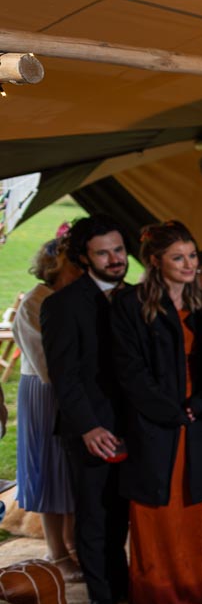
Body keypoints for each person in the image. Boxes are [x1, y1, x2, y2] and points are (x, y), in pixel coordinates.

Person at [110, 221, 202, 604]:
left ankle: (197, 590)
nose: (189, 264)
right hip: (154, 424)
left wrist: (196, 403)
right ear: (156, 261)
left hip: (195, 421)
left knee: (196, 507)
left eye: (192, 256)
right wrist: (171, 411)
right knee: (158, 510)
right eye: (179, 257)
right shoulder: (131, 306)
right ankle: (159, 596)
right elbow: (130, 372)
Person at [42, 215, 133, 604]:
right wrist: (89, 427)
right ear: (83, 257)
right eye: (103, 253)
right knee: (94, 515)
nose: (115, 259)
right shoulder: (61, 305)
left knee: (123, 511)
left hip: (135, 423)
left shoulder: (137, 296)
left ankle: (122, 582)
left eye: (119, 249)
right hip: (90, 427)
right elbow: (64, 375)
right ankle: (101, 599)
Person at [14, 240, 81, 579]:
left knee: (69, 473)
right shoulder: (34, 303)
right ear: (56, 267)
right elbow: (47, 365)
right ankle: (57, 554)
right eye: (75, 265)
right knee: (50, 472)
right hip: (45, 394)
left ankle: (72, 545)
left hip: (72, 393)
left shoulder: (71, 299)